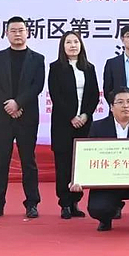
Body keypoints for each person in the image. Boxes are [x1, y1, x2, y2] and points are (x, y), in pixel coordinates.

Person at [70, 87, 129, 236]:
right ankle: (107, 217)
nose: (126, 106)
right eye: (120, 102)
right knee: (97, 209)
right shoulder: (98, 127)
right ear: (111, 107)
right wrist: (79, 179)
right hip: (108, 182)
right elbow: (89, 157)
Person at [0, 16, 45, 219]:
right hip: (2, 118)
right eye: (13, 30)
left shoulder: (38, 59)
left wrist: (18, 103)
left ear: (28, 32)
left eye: (21, 30)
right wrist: (9, 105)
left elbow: (37, 86)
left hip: (27, 117)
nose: (17, 34)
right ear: (7, 33)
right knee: (1, 162)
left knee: (28, 162)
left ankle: (32, 204)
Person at [49, 31, 99, 219]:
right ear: (62, 46)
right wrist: (72, 116)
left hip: (84, 123)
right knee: (63, 164)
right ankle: (64, 204)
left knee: (80, 164)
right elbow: (56, 95)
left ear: (81, 45)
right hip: (63, 123)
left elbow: (94, 95)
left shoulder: (89, 68)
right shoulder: (56, 68)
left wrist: (85, 115)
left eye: (75, 42)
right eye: (68, 42)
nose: (72, 45)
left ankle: (75, 202)